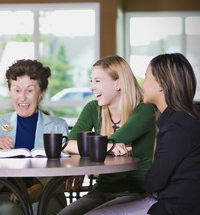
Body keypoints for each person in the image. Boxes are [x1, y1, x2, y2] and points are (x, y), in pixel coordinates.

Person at [83, 53, 200, 214]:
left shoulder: (176, 128)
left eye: (146, 78)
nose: (143, 85)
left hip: (173, 206)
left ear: (161, 84)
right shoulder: (181, 120)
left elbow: (154, 182)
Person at [59, 56, 157, 215]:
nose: (91, 87)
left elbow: (111, 142)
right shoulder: (93, 108)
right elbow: (66, 144)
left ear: (118, 84)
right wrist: (107, 147)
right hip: (101, 191)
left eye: (97, 81)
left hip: (135, 193)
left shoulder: (144, 110)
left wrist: (96, 146)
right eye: (91, 81)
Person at [0, 59, 69, 215]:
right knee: (8, 212)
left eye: (29, 90)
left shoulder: (58, 126)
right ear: (10, 92)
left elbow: (66, 173)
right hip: (3, 194)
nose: (22, 98)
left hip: (47, 194)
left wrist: (41, 189)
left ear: (41, 93)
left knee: (39, 211)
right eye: (16, 90)